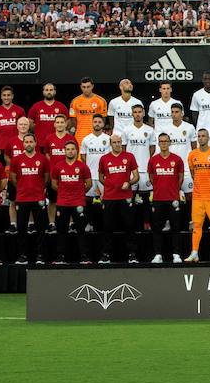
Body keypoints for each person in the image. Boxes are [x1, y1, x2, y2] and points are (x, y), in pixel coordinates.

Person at [97, 134, 140, 264]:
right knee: (108, 227)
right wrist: (110, 186)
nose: (117, 144)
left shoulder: (129, 157)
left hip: (125, 197)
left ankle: (132, 255)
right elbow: (100, 177)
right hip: (110, 198)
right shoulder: (104, 158)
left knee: (129, 226)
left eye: (119, 142)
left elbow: (136, 176)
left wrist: (129, 182)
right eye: (114, 142)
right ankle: (106, 255)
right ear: (110, 144)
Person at [186, 129, 210, 262]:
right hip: (197, 197)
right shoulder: (192, 155)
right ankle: (194, 253)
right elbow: (193, 174)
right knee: (196, 226)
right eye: (199, 136)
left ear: (208, 138)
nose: (201, 138)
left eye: (203, 136)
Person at [8, 133, 49, 265]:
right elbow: (13, 178)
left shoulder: (42, 159)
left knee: (40, 229)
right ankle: (22, 256)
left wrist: (39, 188)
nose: (29, 144)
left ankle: (40, 256)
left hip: (38, 198)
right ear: (23, 144)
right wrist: (21, 187)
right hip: (22, 198)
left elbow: (46, 177)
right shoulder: (16, 160)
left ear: (35, 143)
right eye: (26, 142)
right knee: (21, 229)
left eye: (31, 141)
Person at [51, 140, 93, 265]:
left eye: (72, 149)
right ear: (64, 151)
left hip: (78, 203)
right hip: (62, 203)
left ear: (76, 151)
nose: (70, 151)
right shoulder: (58, 166)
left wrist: (79, 192)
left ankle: (84, 257)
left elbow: (89, 183)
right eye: (68, 149)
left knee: (81, 231)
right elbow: (54, 184)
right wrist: (64, 193)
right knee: (61, 231)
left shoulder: (82, 166)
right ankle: (60, 257)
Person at [147, 133, 184, 264]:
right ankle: (158, 254)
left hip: (173, 198)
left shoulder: (177, 159)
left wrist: (174, 189)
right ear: (158, 143)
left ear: (170, 143)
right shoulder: (153, 160)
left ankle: (176, 254)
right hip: (158, 198)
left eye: (165, 141)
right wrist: (158, 187)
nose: (163, 143)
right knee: (156, 228)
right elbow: (151, 177)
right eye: (161, 141)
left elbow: (180, 177)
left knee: (175, 227)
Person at [121, 104, 156, 224]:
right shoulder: (126, 130)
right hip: (131, 171)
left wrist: (147, 161)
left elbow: (152, 148)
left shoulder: (150, 130)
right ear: (132, 113)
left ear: (144, 113)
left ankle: (147, 223)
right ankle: (132, 224)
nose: (137, 114)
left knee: (146, 199)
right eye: (135, 112)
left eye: (139, 112)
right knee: (130, 200)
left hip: (145, 169)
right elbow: (124, 149)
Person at [44, 114, 72, 232]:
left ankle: (71, 224)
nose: (60, 124)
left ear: (66, 124)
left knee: (71, 200)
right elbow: (47, 154)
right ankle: (51, 223)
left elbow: (74, 154)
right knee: (52, 200)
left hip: (69, 175)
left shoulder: (70, 138)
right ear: (54, 124)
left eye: (62, 122)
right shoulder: (49, 138)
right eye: (58, 122)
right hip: (53, 175)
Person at [167, 103, 198, 196]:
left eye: (177, 112)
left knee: (189, 195)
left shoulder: (190, 127)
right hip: (171, 167)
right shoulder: (166, 129)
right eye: (172, 112)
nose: (174, 114)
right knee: (171, 195)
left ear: (182, 113)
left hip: (187, 167)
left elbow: (194, 148)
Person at [69, 76, 107, 147]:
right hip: (80, 136)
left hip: (96, 135)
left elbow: (103, 119)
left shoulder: (101, 101)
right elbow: (73, 120)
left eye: (88, 87)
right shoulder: (74, 102)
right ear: (80, 87)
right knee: (81, 157)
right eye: (84, 87)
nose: (86, 89)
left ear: (92, 86)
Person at [27, 83, 67, 148]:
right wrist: (38, 131)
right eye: (47, 90)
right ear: (43, 92)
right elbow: (30, 122)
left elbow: (67, 123)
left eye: (51, 90)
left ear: (55, 92)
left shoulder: (61, 107)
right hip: (39, 143)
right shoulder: (36, 106)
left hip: (57, 143)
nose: (49, 92)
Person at [0, 85, 25, 159]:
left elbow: (23, 128)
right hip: (1, 146)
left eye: (8, 95)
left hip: (16, 146)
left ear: (12, 96)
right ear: (1, 96)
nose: (6, 97)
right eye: (4, 95)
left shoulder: (20, 110)